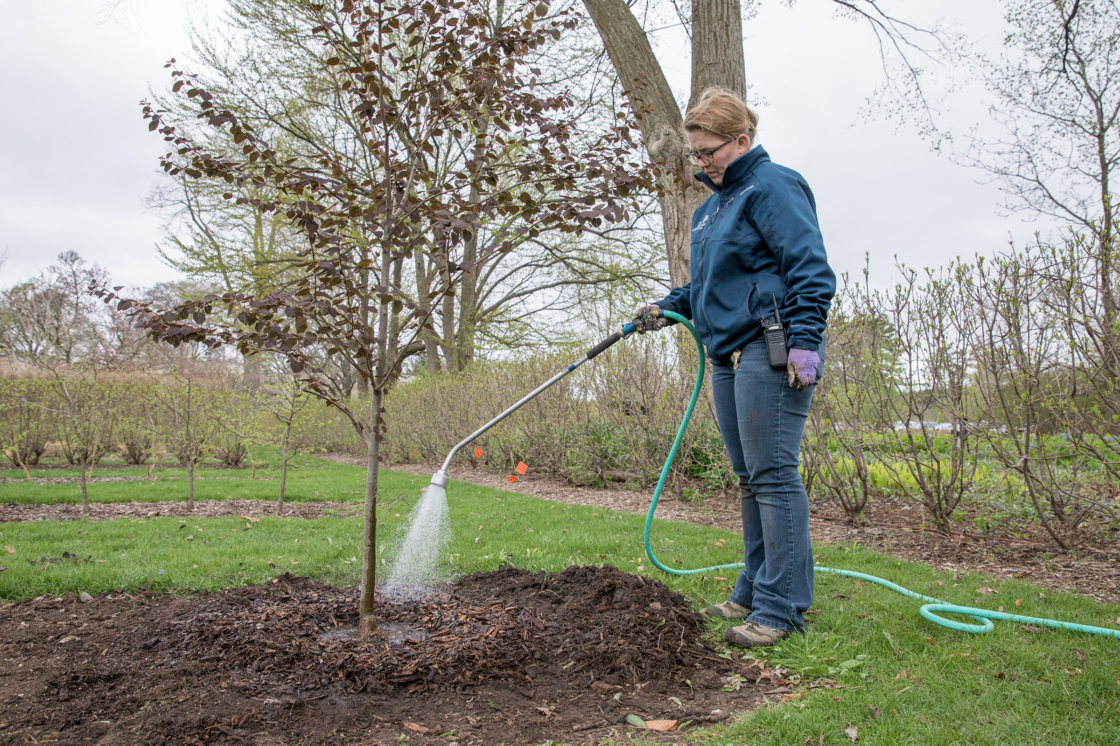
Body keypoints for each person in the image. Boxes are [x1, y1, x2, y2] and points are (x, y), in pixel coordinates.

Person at [634, 87, 835, 648]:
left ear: (741, 141)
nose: (701, 163)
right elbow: (707, 288)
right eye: (695, 155)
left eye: (708, 152)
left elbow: (809, 268)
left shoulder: (773, 187)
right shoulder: (711, 208)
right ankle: (753, 588)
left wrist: (805, 343)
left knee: (773, 475)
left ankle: (781, 608)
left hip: (770, 350)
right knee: (750, 478)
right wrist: (669, 306)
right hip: (725, 357)